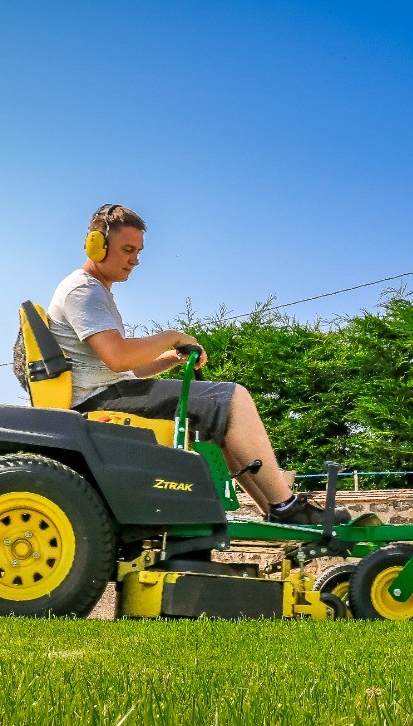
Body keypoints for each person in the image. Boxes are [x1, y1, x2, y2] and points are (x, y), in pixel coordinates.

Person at [46, 203, 348, 526]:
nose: (135, 260)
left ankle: (275, 509)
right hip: (100, 401)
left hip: (111, 391)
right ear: (97, 245)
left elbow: (126, 368)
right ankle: (286, 507)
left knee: (218, 419)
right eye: (128, 249)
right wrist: (172, 336)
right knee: (233, 398)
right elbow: (118, 356)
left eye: (139, 251)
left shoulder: (96, 292)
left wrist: (172, 358)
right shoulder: (83, 291)